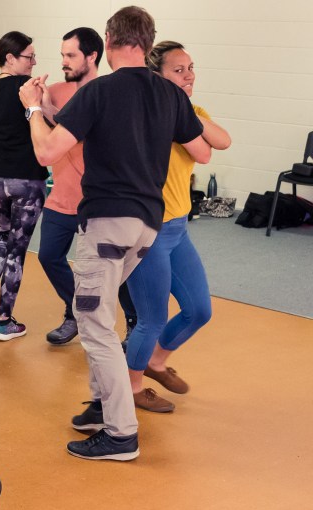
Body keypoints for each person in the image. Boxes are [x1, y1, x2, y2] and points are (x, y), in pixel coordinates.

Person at [19, 6, 211, 461]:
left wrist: (32, 108)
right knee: (101, 313)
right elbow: (202, 151)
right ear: (148, 42)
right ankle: (103, 404)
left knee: (95, 324)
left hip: (108, 223)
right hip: (147, 226)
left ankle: (121, 435)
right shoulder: (170, 94)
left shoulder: (100, 90)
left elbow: (46, 152)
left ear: (107, 41)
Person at [125, 41, 231, 412]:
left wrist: (183, 105)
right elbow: (203, 152)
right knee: (151, 318)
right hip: (148, 230)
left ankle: (155, 362)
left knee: (199, 310)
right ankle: (131, 388)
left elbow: (221, 142)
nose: (189, 76)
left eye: (191, 68)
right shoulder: (145, 114)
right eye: (179, 70)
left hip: (178, 228)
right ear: (157, 75)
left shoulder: (191, 111)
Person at [37, 27, 140, 347]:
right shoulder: (54, 91)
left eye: (71, 55)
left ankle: (134, 322)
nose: (64, 61)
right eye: (62, 55)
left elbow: (80, 133)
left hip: (99, 201)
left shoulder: (108, 93)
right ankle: (75, 312)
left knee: (115, 270)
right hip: (61, 197)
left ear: (92, 56)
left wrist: (44, 110)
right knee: (48, 256)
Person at [0, 31, 48, 340]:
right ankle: (4, 321)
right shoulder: (29, 89)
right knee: (16, 251)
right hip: (27, 180)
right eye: (29, 57)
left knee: (0, 242)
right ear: (10, 58)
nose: (34, 62)